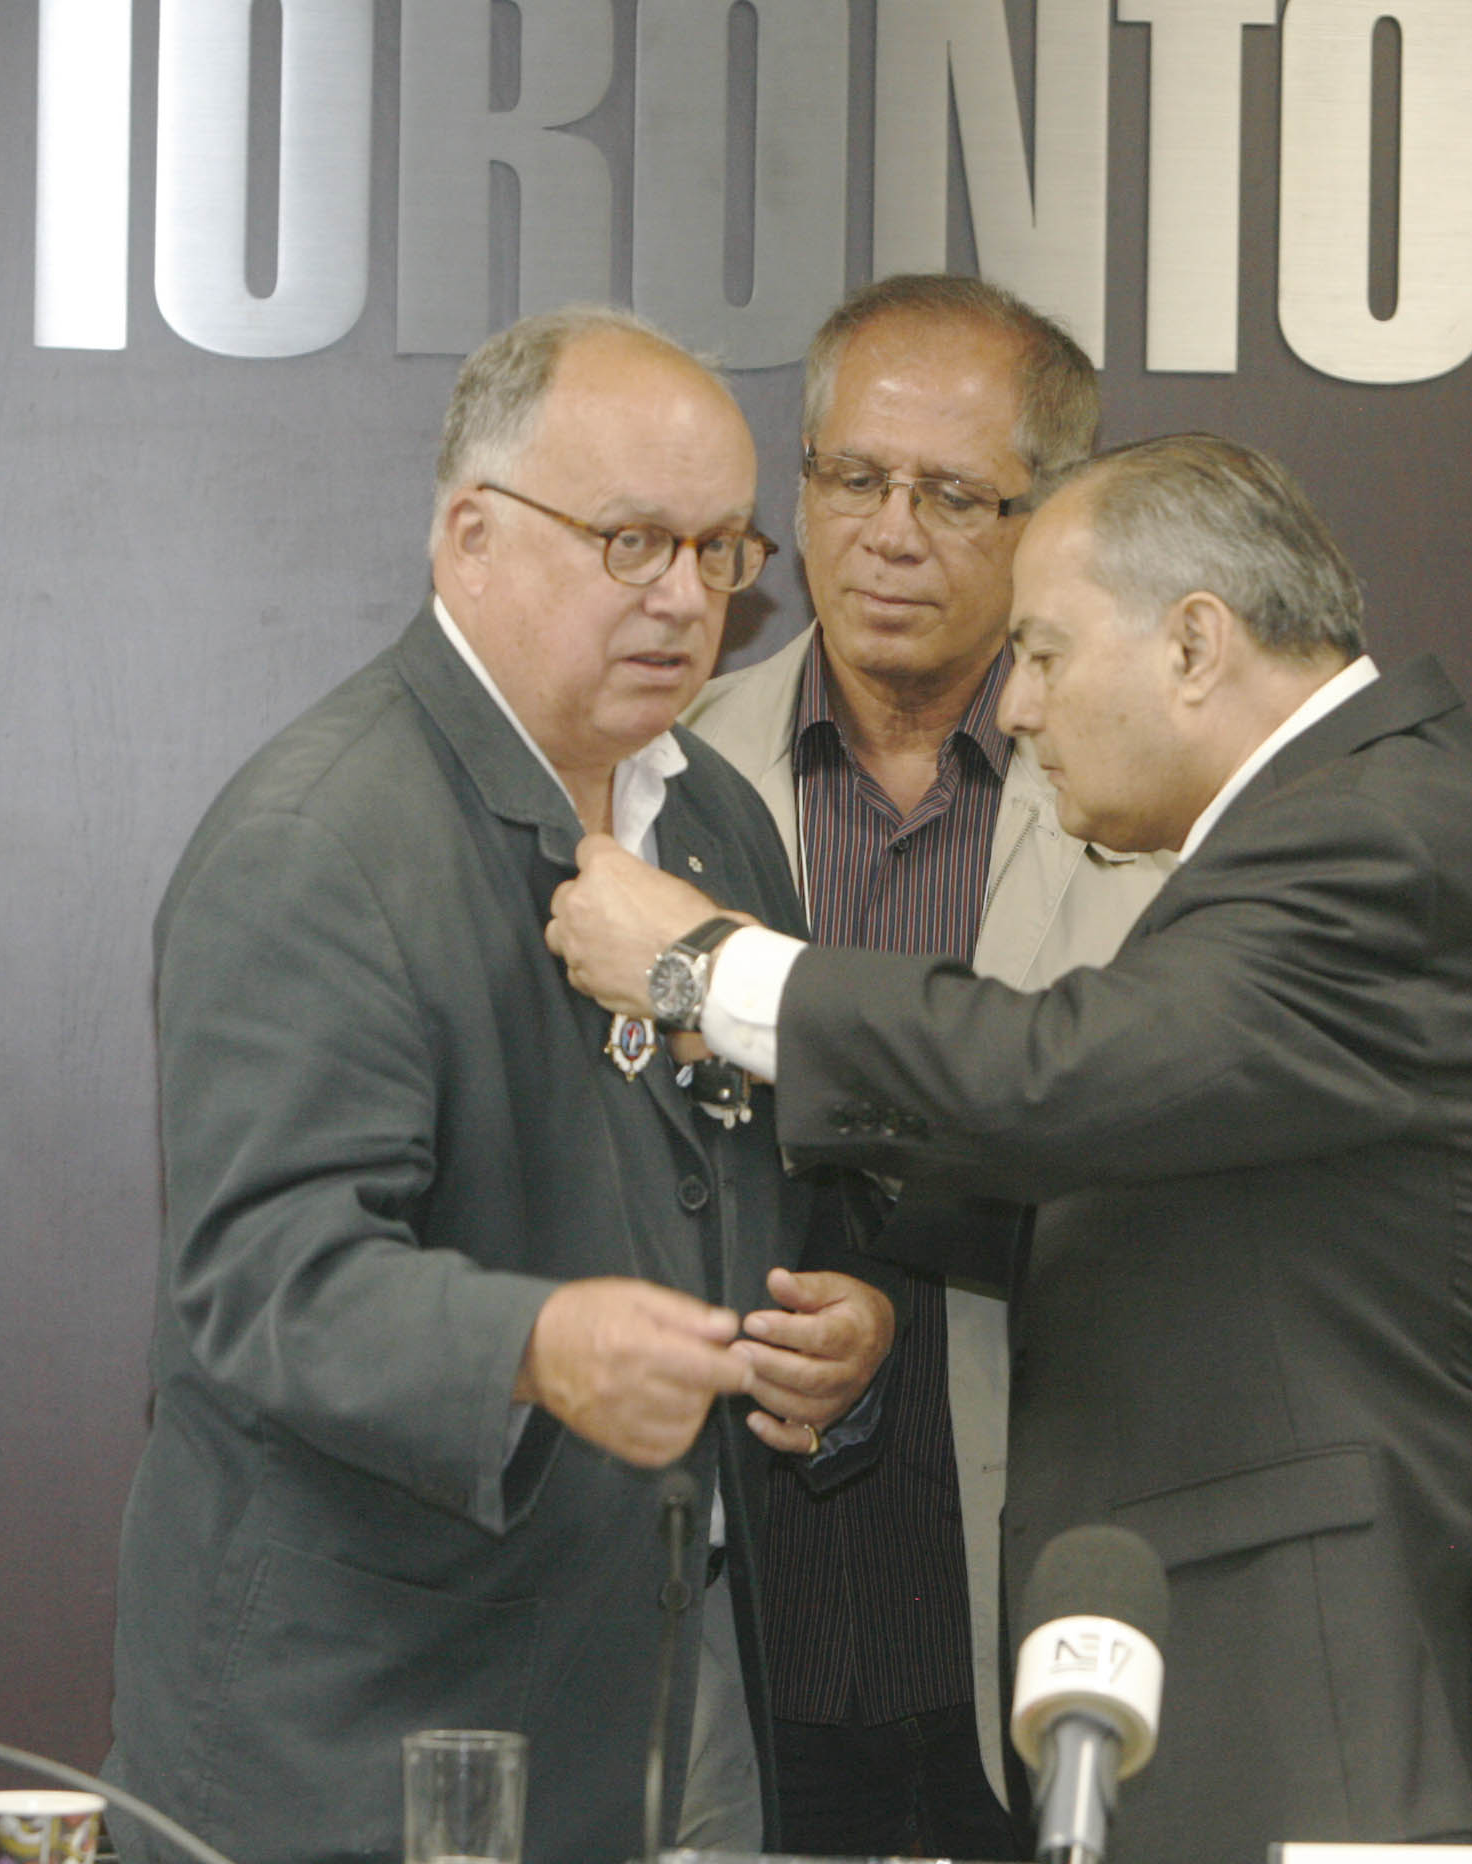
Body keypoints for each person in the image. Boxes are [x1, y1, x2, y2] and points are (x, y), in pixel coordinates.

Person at [549, 432, 1472, 1862]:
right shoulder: (1357, 813)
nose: (1016, 709)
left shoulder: (1378, 838)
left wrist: (711, 970)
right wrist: (830, 1202)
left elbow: (1069, 1075)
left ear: (1194, 644)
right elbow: (1151, 1174)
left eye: (1045, 653)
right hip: (1315, 1666)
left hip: (1360, 1684)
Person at [103, 308, 896, 1864]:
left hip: (669, 1695)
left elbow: (769, 1174)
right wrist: (534, 1344)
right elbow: (268, 1279)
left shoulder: (716, 823)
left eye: (722, 552)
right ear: (471, 536)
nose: (688, 598)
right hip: (368, 1726)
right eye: (632, 543)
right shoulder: (316, 842)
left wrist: (838, 1322)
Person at [681, 274, 1168, 1856]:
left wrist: (904, 1290)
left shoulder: (1151, 805)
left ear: (1049, 519)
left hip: (1028, 1614)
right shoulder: (662, 778)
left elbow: (1148, 1166)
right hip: (729, 1616)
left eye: (954, 496)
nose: (889, 535)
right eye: (852, 479)